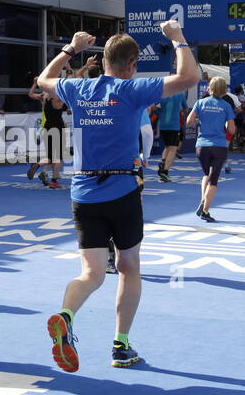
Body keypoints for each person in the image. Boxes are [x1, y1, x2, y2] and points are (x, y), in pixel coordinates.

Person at [36, 20, 199, 371]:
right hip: (123, 192)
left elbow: (42, 80)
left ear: (105, 60)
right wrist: (178, 39)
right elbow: (189, 78)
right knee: (128, 267)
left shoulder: (78, 89)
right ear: (131, 65)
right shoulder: (132, 89)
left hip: (83, 193)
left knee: (91, 274)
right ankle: (120, 345)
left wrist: (71, 49)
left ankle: (66, 315)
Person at [186, 77, 234, 222]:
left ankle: (203, 199)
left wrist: (201, 122)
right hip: (219, 145)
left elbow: (189, 121)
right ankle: (205, 210)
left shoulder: (200, 103)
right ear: (224, 90)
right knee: (214, 179)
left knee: (206, 174)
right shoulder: (226, 106)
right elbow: (231, 129)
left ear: (209, 88)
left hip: (202, 145)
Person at [28, 79, 66, 188]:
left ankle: (38, 165)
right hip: (57, 128)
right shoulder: (58, 99)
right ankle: (54, 181)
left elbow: (30, 94)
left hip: (46, 128)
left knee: (50, 155)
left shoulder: (44, 97)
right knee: (58, 157)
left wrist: (35, 83)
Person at [155, 90, 186, 182]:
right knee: (173, 148)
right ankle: (165, 171)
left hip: (163, 125)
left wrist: (160, 113)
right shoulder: (180, 93)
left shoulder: (161, 93)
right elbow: (185, 108)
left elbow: (154, 107)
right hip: (174, 126)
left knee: (167, 146)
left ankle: (163, 161)